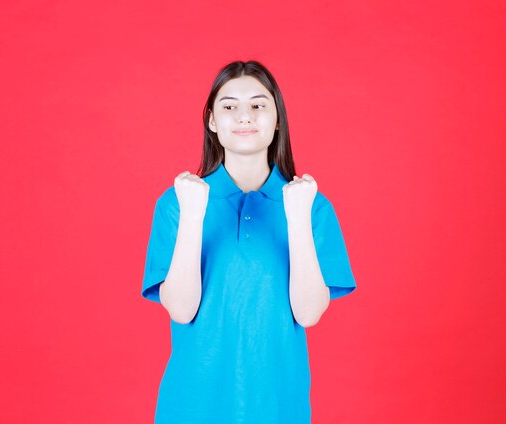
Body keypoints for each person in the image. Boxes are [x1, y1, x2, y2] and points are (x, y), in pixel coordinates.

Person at [141, 60, 357, 423]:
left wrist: (298, 217)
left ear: (277, 120)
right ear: (212, 120)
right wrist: (194, 215)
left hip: (278, 409)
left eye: (259, 105)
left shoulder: (312, 206)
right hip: (191, 409)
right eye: (229, 106)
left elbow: (308, 313)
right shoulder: (177, 204)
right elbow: (180, 309)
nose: (244, 116)